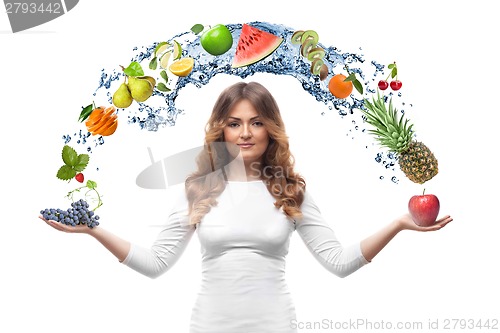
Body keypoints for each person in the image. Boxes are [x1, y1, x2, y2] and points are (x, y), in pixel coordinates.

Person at [39, 81, 452, 333]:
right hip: (209, 325)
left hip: (275, 325)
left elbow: (339, 262)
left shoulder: (292, 191)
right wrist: (93, 231)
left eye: (256, 122)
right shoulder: (198, 189)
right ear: (221, 129)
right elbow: (156, 263)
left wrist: (400, 223)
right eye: (234, 123)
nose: (244, 133)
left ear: (271, 129)